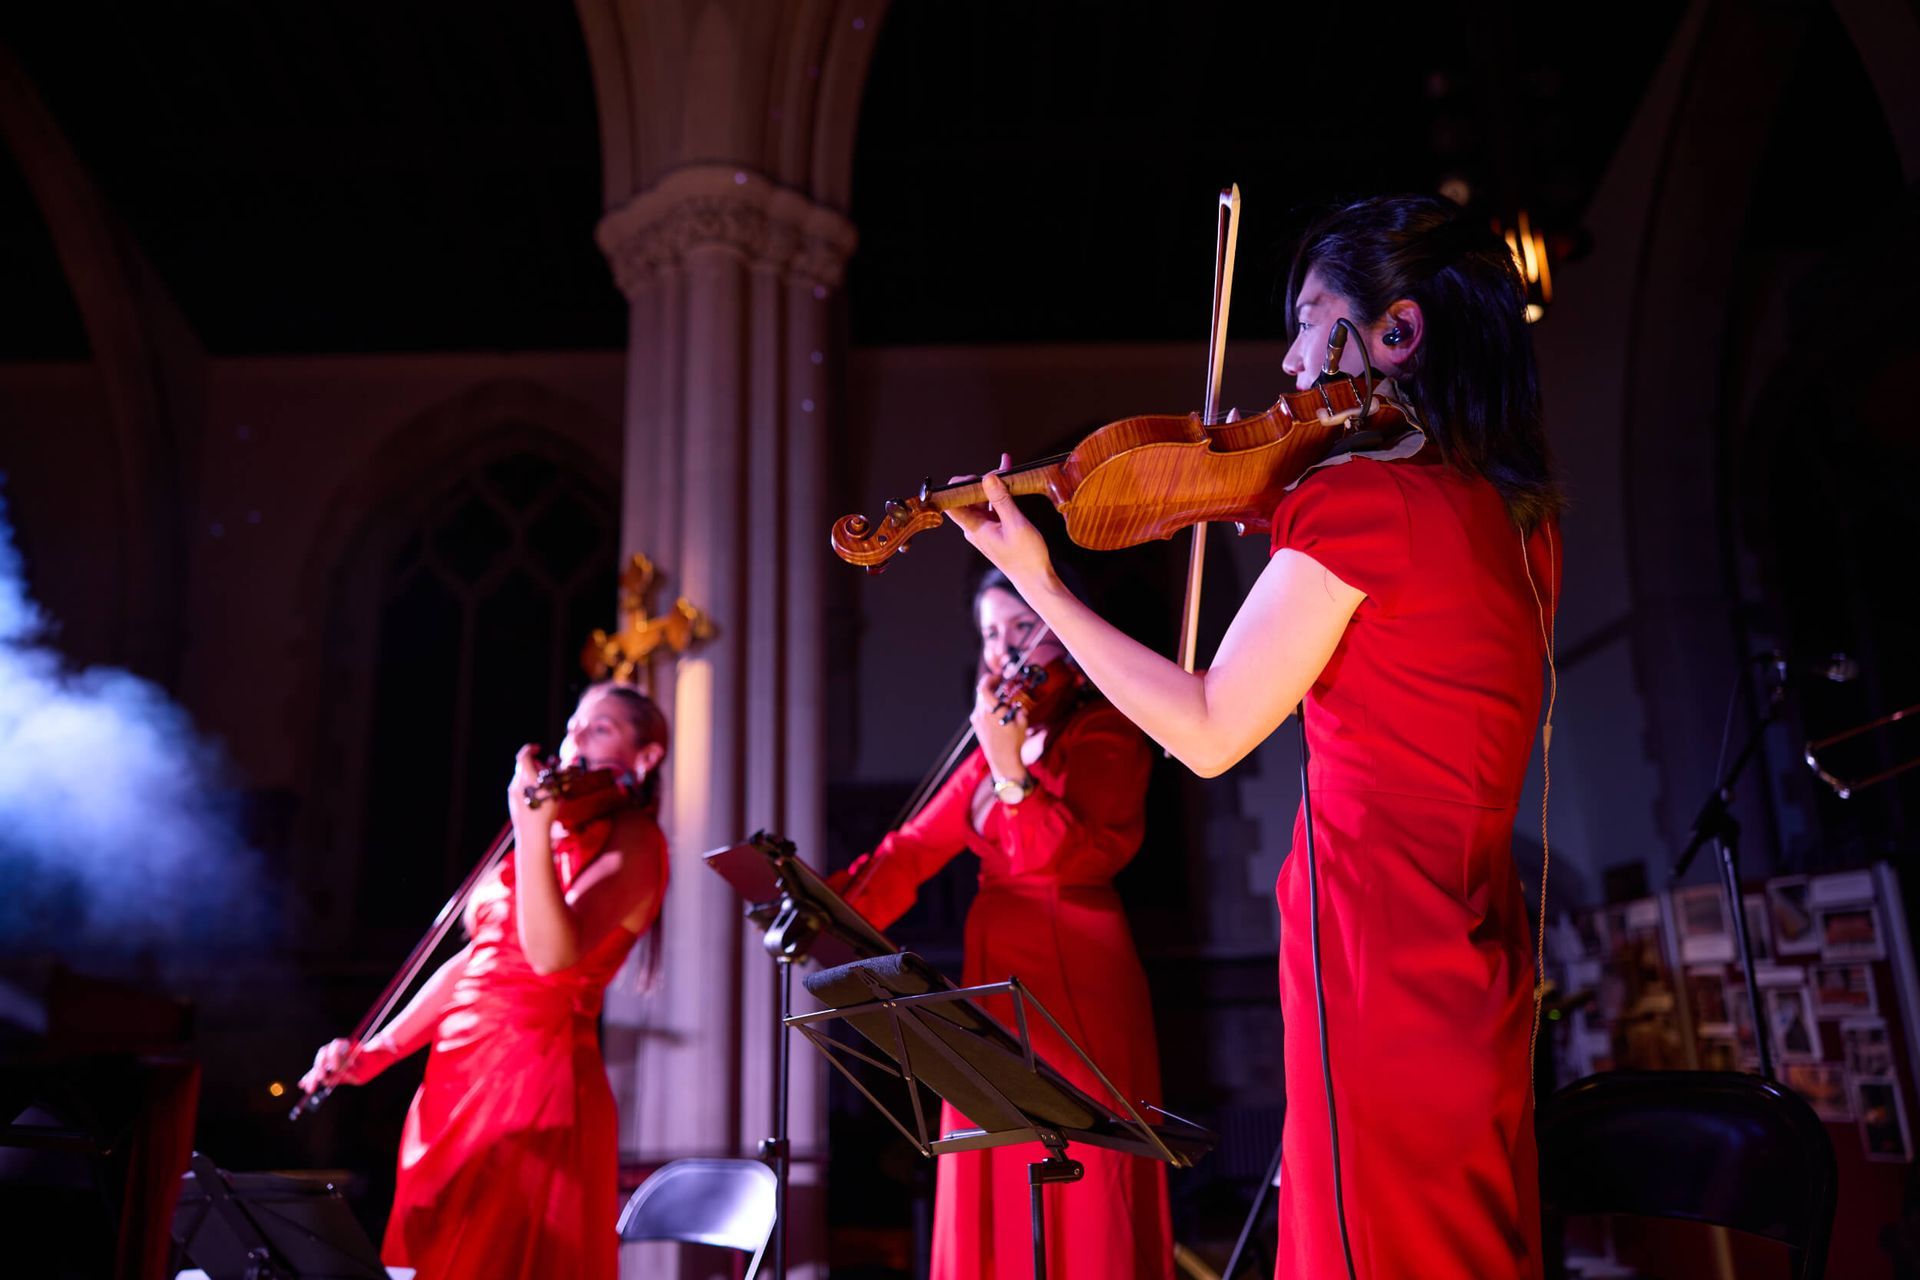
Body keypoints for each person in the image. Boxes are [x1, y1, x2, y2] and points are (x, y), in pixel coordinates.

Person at [947, 195, 1561, 1279]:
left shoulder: (1363, 507)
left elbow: (1211, 728)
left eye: (1314, 318)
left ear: (1396, 333)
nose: (1288, 367)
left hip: (1373, 959)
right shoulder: (1514, 523)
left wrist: (1040, 579)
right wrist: (1254, 502)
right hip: (1473, 964)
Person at [836, 568, 1173, 1279]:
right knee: (995, 1157)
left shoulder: (1106, 727)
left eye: (1021, 627)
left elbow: (1072, 857)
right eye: (990, 634)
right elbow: (913, 850)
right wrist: (826, 909)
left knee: (1079, 1168)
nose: (1001, 651)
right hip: (997, 977)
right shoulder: (1007, 739)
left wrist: (1008, 769)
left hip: (1077, 969)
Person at [301, 682, 670, 1280]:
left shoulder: (634, 839)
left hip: (537, 1082)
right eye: (574, 723)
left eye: (601, 728)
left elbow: (552, 957)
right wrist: (376, 1054)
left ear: (647, 757)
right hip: (454, 1080)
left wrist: (529, 830)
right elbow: (480, 961)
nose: (575, 737)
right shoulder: (550, 835)